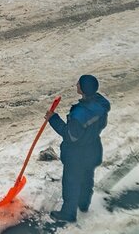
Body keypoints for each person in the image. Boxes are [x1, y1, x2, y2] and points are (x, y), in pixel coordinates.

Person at [45, 74, 111, 223]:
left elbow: (70, 135)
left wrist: (53, 119)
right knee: (87, 177)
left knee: (71, 182)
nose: (76, 85)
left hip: (77, 154)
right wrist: (89, 95)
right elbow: (100, 123)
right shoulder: (100, 104)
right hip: (93, 148)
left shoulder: (79, 114)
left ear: (83, 89)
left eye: (79, 84)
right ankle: (84, 204)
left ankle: (68, 213)